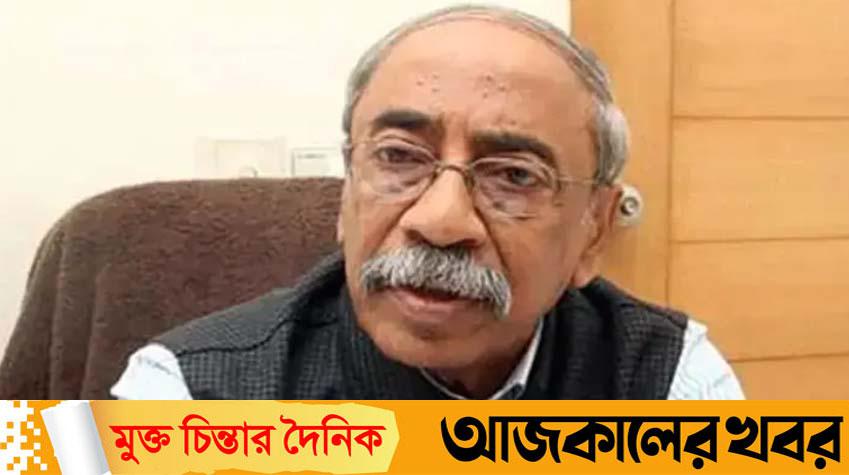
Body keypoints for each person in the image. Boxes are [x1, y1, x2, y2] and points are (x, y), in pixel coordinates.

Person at [112, 5, 743, 400]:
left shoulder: (670, 380)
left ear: (594, 230)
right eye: (398, 157)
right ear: (347, 189)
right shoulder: (186, 393)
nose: (440, 222)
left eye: (513, 176)